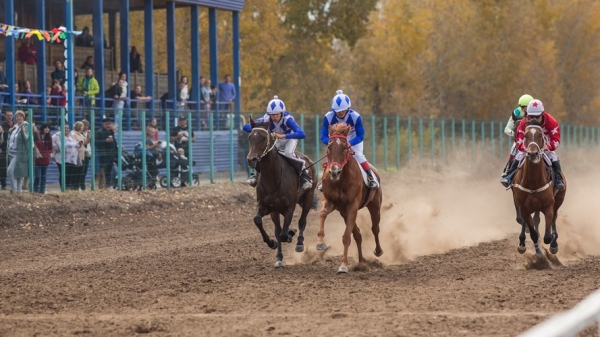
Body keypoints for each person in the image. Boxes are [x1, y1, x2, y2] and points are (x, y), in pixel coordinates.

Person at [243, 96, 312, 190]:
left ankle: (305, 176)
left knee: (288, 153)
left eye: (277, 114)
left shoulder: (288, 119)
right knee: (265, 153)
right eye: (272, 115)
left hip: (290, 138)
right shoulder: (266, 118)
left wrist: (282, 136)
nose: (274, 117)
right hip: (276, 139)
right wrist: (258, 128)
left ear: (281, 113)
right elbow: (246, 127)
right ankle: (256, 175)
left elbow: (301, 134)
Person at [501, 99, 565, 190]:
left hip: (544, 146)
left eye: (537, 116)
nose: (534, 119)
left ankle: (559, 179)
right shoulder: (524, 121)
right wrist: (525, 148)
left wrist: (547, 147)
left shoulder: (551, 121)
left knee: (553, 156)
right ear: (527, 114)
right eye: (531, 116)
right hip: (529, 147)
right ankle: (509, 176)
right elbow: (519, 139)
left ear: (542, 114)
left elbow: (556, 140)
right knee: (519, 155)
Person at [320, 89, 379, 189]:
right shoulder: (328, 117)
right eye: (338, 111)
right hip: (335, 140)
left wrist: (350, 143)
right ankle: (324, 181)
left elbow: (360, 136)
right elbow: (323, 136)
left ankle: (370, 177)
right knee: (333, 157)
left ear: (348, 108)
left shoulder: (355, 117)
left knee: (358, 155)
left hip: (353, 138)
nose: (340, 112)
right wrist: (330, 142)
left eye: (343, 110)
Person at [502, 94, 533, 177]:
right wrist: (515, 133)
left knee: (550, 154)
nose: (526, 109)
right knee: (513, 150)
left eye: (527, 107)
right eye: (524, 107)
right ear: (521, 107)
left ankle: (556, 174)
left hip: (534, 140)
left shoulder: (536, 114)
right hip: (520, 140)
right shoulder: (516, 114)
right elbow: (507, 129)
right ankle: (509, 172)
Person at [6, 110, 30, 192]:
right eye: (17, 116)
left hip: (20, 153)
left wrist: (23, 132)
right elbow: (12, 140)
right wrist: (10, 133)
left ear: (23, 117)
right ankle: (19, 192)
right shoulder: (15, 126)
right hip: (11, 152)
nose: (18, 117)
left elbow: (26, 139)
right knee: (18, 173)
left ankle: (14, 189)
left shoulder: (26, 126)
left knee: (10, 171)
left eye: (20, 116)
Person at [95, 117, 118, 189]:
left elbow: (114, 144)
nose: (108, 125)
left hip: (111, 155)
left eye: (110, 124)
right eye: (107, 124)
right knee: (103, 172)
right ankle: (102, 186)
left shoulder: (111, 132)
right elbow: (95, 142)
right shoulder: (99, 132)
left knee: (110, 171)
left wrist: (115, 156)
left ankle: (108, 185)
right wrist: (105, 141)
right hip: (103, 156)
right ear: (103, 124)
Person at [34, 123, 52, 194]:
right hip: (37, 159)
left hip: (45, 159)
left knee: (43, 176)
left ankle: (42, 190)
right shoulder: (37, 135)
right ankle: (35, 189)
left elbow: (50, 148)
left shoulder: (49, 137)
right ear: (42, 128)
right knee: (37, 175)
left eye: (48, 128)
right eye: (45, 128)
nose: (47, 129)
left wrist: (48, 153)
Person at [0, 111, 13, 190]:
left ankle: (13, 185)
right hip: (3, 149)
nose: (9, 117)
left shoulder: (15, 125)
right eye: (8, 115)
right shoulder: (1, 126)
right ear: (4, 116)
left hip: (14, 150)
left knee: (13, 168)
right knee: (3, 167)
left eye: (11, 115)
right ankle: (3, 184)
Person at [80, 120, 92, 190]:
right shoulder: (79, 133)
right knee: (81, 171)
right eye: (84, 125)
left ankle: (82, 185)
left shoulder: (89, 133)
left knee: (85, 171)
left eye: (87, 125)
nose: (86, 127)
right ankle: (80, 185)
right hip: (81, 154)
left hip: (87, 155)